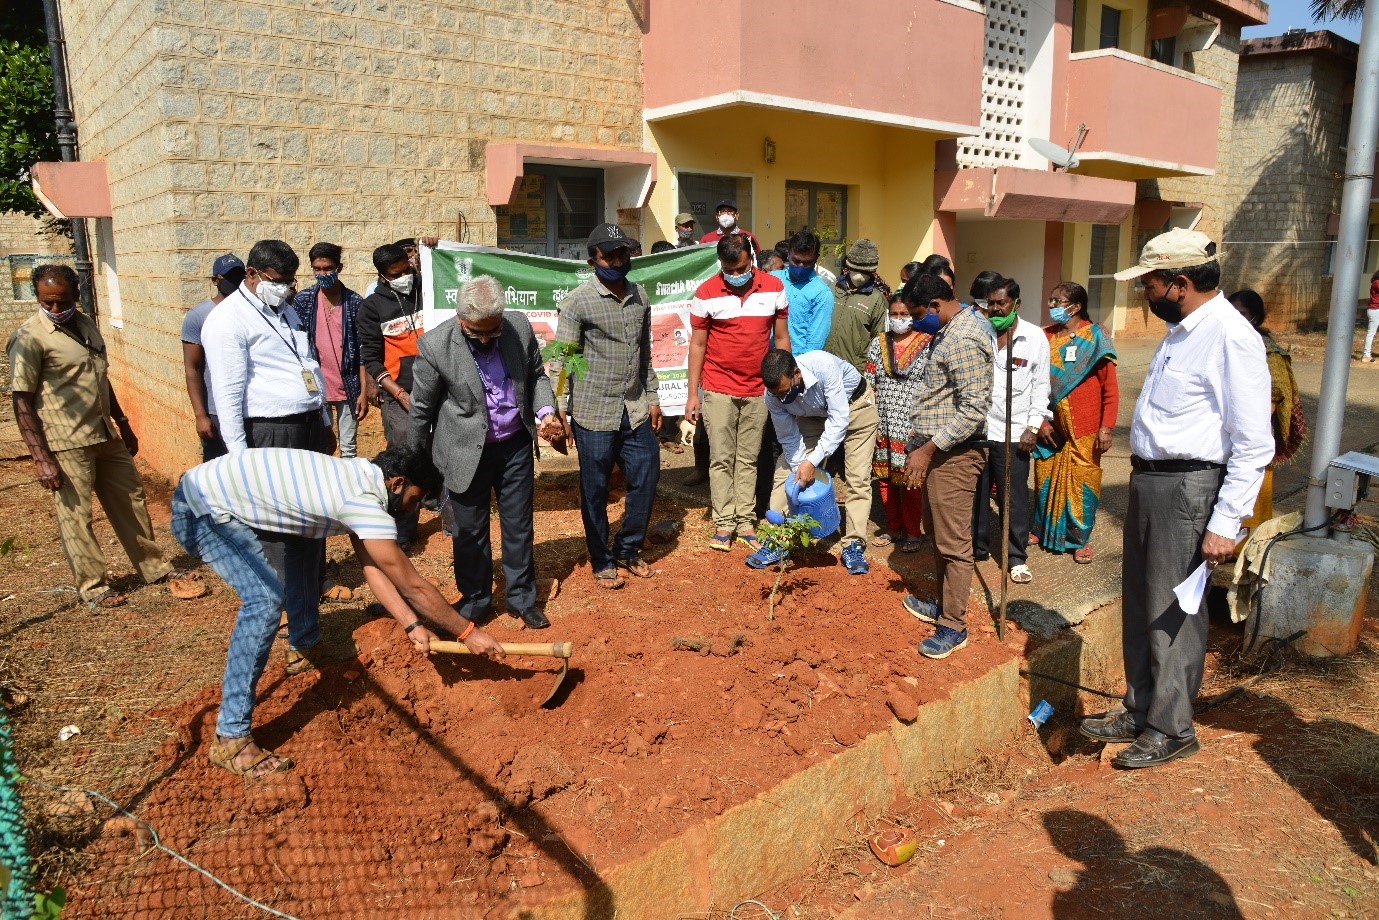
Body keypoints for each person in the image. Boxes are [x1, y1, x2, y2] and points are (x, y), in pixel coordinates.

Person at [171, 445, 504, 779]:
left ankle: (303, 648)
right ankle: (231, 737)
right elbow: (412, 586)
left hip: (211, 491)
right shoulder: (362, 503)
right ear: (397, 483)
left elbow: (372, 568)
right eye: (414, 499)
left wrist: (411, 625)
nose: (411, 509)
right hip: (201, 509)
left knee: (308, 533)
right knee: (264, 600)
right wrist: (468, 632)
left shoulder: (359, 476)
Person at [1079, 228, 1271, 769]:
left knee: (1175, 611)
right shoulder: (1181, 331)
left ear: (1180, 283)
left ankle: (1171, 727)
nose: (1145, 294)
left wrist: (1226, 521)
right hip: (1151, 481)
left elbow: (1254, 442)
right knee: (1143, 602)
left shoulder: (1230, 336)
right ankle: (1140, 707)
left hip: (1188, 488)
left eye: (1150, 283)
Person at [8, 264, 173, 608]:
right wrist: (41, 458)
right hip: (65, 440)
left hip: (103, 432)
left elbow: (101, 377)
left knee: (131, 498)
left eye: (62, 301)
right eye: (47, 302)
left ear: (76, 295)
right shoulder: (29, 338)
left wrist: (122, 422)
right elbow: (21, 400)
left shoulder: (85, 324)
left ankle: (154, 568)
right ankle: (94, 587)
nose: (55, 308)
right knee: (77, 516)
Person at [201, 239, 331, 671]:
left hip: (306, 428)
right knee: (278, 540)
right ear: (253, 275)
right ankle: (295, 635)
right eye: (279, 280)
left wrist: (323, 421)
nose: (288, 287)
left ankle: (306, 628)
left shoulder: (284, 309)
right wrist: (241, 460)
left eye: (292, 280)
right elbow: (228, 394)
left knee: (309, 531)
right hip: (270, 435)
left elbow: (306, 364)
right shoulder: (227, 321)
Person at [409, 275, 562, 630]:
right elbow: (421, 410)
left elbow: (536, 375)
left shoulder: (518, 327)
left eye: (493, 331)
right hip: (463, 451)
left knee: (519, 526)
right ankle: (475, 600)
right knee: (469, 531)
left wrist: (545, 411)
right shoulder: (436, 345)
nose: (485, 339)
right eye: (476, 332)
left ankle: (521, 598)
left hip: (514, 446)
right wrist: (416, 463)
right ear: (460, 318)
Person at [553, 223, 661, 589]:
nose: (618, 261)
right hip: (594, 412)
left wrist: (653, 396)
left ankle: (628, 548)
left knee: (646, 476)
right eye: (609, 256)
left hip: (634, 407)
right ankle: (601, 558)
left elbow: (644, 354)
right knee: (595, 489)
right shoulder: (578, 301)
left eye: (623, 254)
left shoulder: (640, 295)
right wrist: (560, 406)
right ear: (592, 261)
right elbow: (564, 357)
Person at [898, 272, 993, 660]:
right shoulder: (949, 329)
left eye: (918, 314)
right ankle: (942, 604)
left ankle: (953, 625)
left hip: (956, 454)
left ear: (935, 305)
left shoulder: (964, 338)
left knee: (953, 544)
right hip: (938, 450)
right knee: (938, 534)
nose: (914, 322)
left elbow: (973, 409)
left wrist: (928, 449)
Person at [685, 235, 790, 550]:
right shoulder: (705, 293)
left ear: (752, 259)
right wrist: (693, 395)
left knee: (748, 458)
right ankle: (723, 522)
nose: (735, 275)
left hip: (758, 389)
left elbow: (781, 339)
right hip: (717, 388)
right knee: (721, 458)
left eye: (741, 269)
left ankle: (745, 521)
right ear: (720, 264)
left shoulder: (774, 288)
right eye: (728, 270)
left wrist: (784, 382)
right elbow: (698, 345)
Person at [748, 348, 879, 575]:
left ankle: (854, 544)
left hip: (856, 407)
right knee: (786, 470)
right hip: (814, 416)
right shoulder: (772, 396)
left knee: (857, 478)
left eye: (785, 392)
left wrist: (811, 462)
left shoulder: (823, 365)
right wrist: (801, 468)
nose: (782, 399)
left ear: (796, 374)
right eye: (777, 395)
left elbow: (839, 420)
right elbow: (789, 437)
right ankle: (778, 539)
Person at [1031, 281, 1118, 563]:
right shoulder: (1044, 336)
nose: (1052, 306)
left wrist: (1107, 427)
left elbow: (1110, 387)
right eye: (1051, 301)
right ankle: (1042, 529)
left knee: (1083, 480)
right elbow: (1032, 383)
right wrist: (1039, 422)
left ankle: (1079, 540)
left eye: (1057, 301)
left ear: (1076, 306)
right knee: (1045, 474)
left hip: (1086, 425)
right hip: (1050, 424)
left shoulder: (1095, 336)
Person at [972, 277, 1050, 585]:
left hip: (1016, 432)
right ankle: (977, 549)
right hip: (980, 430)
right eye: (990, 303)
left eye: (1001, 303)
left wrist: (1033, 427)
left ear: (1016, 304)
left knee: (1013, 497)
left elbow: (1041, 387)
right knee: (977, 495)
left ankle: (1016, 556)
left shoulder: (1034, 337)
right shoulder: (980, 333)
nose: (994, 309)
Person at [358, 242, 425, 548]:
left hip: (438, 389)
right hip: (400, 395)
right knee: (404, 459)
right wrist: (398, 394)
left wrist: (436, 249)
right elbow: (372, 359)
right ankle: (403, 529)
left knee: (446, 452)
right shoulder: (372, 307)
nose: (403, 278)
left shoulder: (427, 290)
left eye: (406, 270)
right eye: (395, 275)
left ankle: (454, 526)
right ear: (382, 276)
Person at [1228, 289, 1307, 527]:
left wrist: (1246, 426)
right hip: (1219, 437)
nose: (1235, 319)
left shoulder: (1269, 351)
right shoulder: (1224, 342)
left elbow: (1276, 395)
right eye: (1231, 312)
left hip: (1251, 438)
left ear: (1255, 316)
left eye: (1242, 313)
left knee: (1249, 506)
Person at [863, 294, 933, 553]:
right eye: (894, 314)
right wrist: (869, 421)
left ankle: (913, 532)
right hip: (882, 421)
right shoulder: (878, 343)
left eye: (905, 314)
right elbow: (869, 383)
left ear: (914, 316)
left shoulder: (928, 344)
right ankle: (893, 527)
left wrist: (923, 424)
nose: (899, 319)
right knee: (885, 479)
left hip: (913, 424)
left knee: (912, 480)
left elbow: (931, 386)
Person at [292, 243, 368, 459]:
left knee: (348, 450)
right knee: (320, 448)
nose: (322, 273)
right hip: (315, 387)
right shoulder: (303, 301)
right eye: (317, 269)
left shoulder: (354, 302)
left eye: (327, 268)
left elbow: (363, 350)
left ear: (339, 268)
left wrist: (363, 391)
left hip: (348, 387)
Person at [181, 253, 245, 461]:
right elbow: (192, 368)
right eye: (229, 277)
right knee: (220, 468)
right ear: (215, 281)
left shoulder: (251, 312)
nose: (235, 282)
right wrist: (201, 415)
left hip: (250, 409)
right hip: (217, 411)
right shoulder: (198, 316)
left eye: (239, 276)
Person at [825, 239, 889, 374]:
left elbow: (879, 341)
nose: (859, 275)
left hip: (852, 371)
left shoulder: (877, 300)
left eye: (864, 271)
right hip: (823, 364)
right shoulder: (832, 288)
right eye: (855, 269)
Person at [772, 230, 834, 354]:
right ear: (788, 254)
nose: (800, 266)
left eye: (806, 263)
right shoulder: (773, 279)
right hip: (765, 357)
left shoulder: (822, 294)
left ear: (816, 259)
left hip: (797, 360)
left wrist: (797, 364)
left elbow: (815, 343)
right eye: (796, 261)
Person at [1363, 269, 1379, 362]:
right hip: (1375, 310)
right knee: (1371, 333)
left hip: (1376, 310)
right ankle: (1366, 355)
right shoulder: (1377, 282)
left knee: (1371, 333)